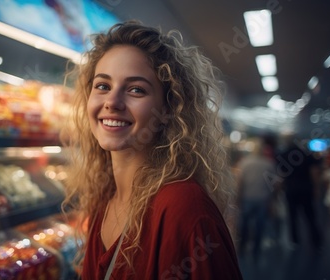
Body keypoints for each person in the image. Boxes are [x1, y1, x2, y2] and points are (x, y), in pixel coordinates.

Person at [61, 21, 243, 279]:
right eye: (102, 85)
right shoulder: (103, 199)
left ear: (169, 110)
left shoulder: (185, 208)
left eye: (136, 89)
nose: (112, 102)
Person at [236, 136, 278, 258]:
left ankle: (242, 248)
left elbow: (240, 183)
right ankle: (256, 249)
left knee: (244, 224)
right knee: (260, 225)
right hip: (263, 199)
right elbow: (274, 184)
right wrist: (273, 199)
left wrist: (238, 198)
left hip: (247, 198)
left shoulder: (244, 163)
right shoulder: (269, 164)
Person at [278, 139, 323, 251]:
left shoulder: (284, 154)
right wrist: (316, 188)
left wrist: (280, 189)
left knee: (292, 217)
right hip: (306, 189)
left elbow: (281, 174)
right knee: (310, 216)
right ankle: (316, 240)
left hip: (291, 189)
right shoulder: (306, 155)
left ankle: (295, 241)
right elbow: (314, 172)